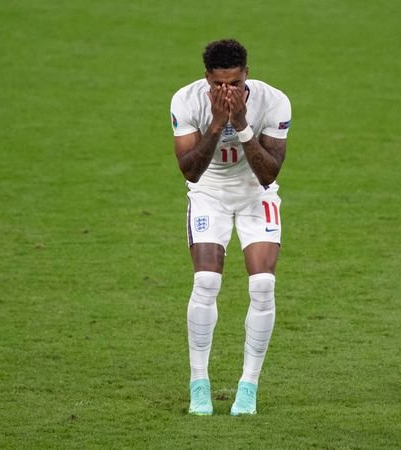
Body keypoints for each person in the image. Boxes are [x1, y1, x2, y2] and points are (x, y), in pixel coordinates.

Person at [170, 39, 292, 416]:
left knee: (263, 284)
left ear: (247, 77)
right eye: (219, 84)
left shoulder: (274, 102)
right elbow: (190, 170)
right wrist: (217, 124)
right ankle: (199, 384)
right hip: (209, 192)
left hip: (256, 193)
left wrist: (239, 124)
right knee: (206, 281)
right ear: (207, 78)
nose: (227, 92)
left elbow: (269, 173)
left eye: (235, 84)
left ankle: (248, 388)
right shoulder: (186, 101)